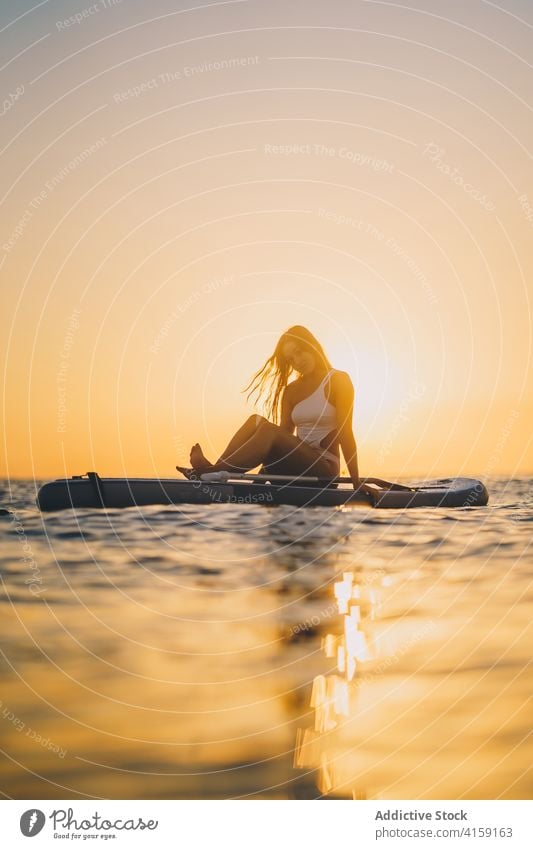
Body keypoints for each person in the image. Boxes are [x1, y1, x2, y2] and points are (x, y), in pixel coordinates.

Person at [177, 325, 394, 495]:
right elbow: (279, 442)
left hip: (323, 470)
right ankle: (215, 471)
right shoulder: (291, 390)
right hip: (296, 468)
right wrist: (256, 486)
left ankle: (213, 472)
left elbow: (346, 433)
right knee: (256, 421)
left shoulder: (337, 380)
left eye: (300, 352)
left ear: (312, 346)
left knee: (267, 430)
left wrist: (356, 482)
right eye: (291, 359)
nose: (298, 361)